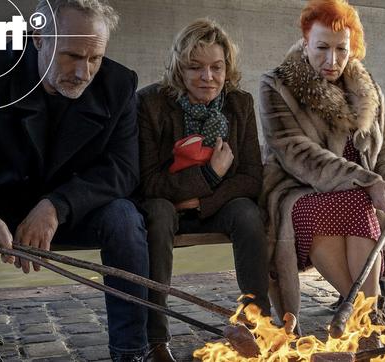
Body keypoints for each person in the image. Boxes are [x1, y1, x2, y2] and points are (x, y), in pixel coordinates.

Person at [0, 1, 149, 361]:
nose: (84, 72)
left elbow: (122, 168)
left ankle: (131, 351)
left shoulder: (119, 84)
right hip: (0, 208)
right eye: (71, 55)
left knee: (124, 217)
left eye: (95, 58)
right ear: (38, 38)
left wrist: (57, 205)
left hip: (71, 211)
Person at [259, 0, 385, 343]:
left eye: (341, 49)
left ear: (353, 49)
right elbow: (297, 154)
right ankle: (368, 318)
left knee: (354, 204)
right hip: (296, 190)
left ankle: (362, 321)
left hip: (361, 196)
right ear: (306, 42)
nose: (331, 60)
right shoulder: (276, 85)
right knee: (344, 204)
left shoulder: (368, 89)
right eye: (322, 48)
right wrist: (366, 180)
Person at [137, 18, 270, 361]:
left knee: (247, 213)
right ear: (179, 68)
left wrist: (201, 197)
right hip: (165, 208)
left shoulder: (239, 104)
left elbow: (252, 176)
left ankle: (260, 325)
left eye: (216, 67)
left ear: (228, 68)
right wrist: (211, 173)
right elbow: (148, 180)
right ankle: (155, 339)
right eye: (195, 68)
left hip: (214, 205)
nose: (207, 77)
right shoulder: (150, 104)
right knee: (158, 212)